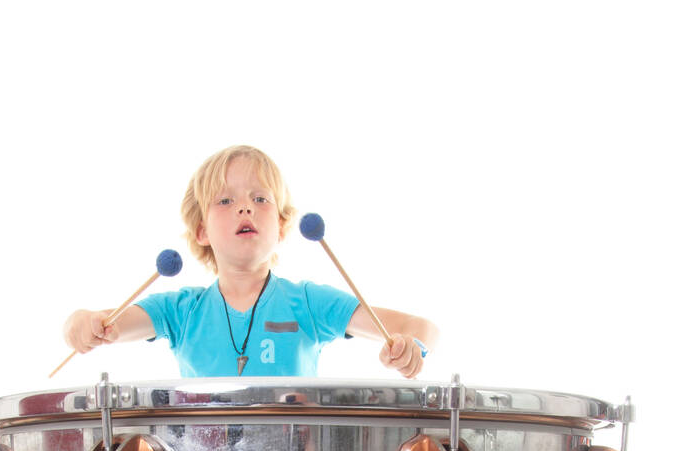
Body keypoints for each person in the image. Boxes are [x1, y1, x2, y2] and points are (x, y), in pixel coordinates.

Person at [61, 145, 437, 378]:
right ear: (201, 231)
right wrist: (80, 324)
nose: (244, 206)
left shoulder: (307, 303)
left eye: (260, 199)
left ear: (283, 225)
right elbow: (107, 325)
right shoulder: (181, 310)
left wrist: (411, 348)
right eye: (225, 201)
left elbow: (420, 326)